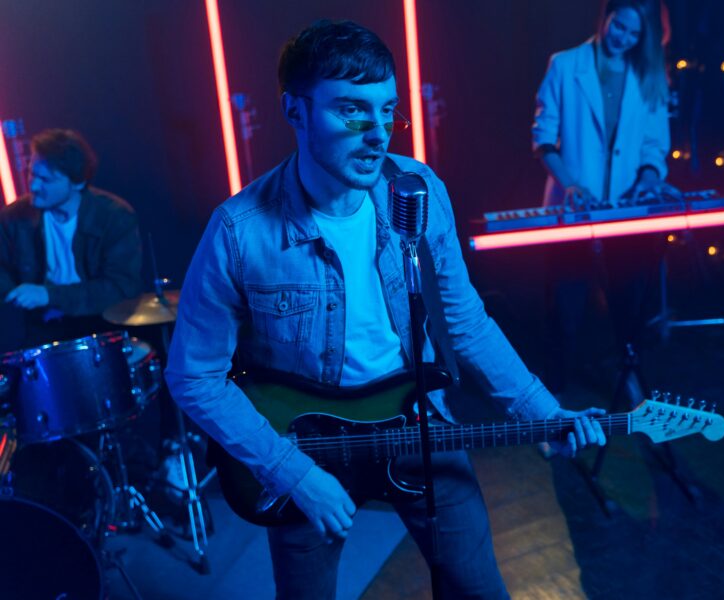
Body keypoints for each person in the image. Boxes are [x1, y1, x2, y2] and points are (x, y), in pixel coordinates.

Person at [164, 19, 606, 599]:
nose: (377, 134)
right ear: (295, 111)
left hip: (415, 420)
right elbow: (193, 375)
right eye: (352, 111)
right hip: (305, 447)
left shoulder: (418, 189)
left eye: (387, 111)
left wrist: (545, 413)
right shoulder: (239, 232)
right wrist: (293, 475)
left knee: (479, 590)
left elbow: (465, 322)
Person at [531, 0, 674, 394]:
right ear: (606, 16)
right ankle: (553, 399)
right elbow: (543, 139)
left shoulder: (649, 74)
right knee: (564, 311)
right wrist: (570, 185)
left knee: (630, 308)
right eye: (619, 26)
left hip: (626, 211)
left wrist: (648, 178)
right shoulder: (564, 65)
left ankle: (629, 381)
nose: (623, 38)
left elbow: (654, 145)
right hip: (572, 211)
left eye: (634, 34)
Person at [0, 129, 142, 352]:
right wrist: (13, 293)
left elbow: (121, 287)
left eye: (46, 180)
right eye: (32, 174)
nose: (34, 186)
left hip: (102, 324)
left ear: (77, 183)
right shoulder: (14, 217)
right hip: (43, 327)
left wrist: (49, 296)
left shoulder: (114, 216)